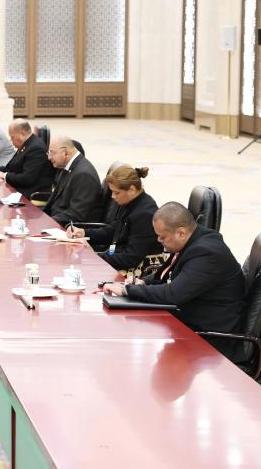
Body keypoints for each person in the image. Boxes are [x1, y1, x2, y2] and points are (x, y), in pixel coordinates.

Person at [102, 202, 246, 360]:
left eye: (163, 237)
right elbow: (165, 275)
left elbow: (173, 294)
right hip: (189, 324)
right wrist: (141, 282)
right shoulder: (193, 242)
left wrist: (126, 290)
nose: (158, 240)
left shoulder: (207, 253)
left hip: (210, 340)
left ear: (181, 233)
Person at [68, 166, 162, 272]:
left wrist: (94, 257)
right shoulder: (128, 202)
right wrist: (84, 233)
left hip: (137, 272)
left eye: (116, 192)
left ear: (131, 190)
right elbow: (114, 231)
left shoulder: (144, 214)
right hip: (119, 260)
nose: (112, 196)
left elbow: (131, 258)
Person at [0, 118, 55, 198]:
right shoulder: (27, 144)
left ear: (22, 134)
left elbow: (27, 179)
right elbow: (12, 167)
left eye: (12, 137)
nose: (11, 141)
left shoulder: (36, 148)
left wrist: (4, 175)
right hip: (19, 189)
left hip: (31, 194)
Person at [42, 135, 102, 226]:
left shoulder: (84, 175)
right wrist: (41, 217)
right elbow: (54, 201)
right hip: (59, 220)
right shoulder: (67, 166)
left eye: (52, 153)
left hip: (73, 227)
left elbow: (77, 214)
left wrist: (47, 221)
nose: (49, 157)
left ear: (65, 153)